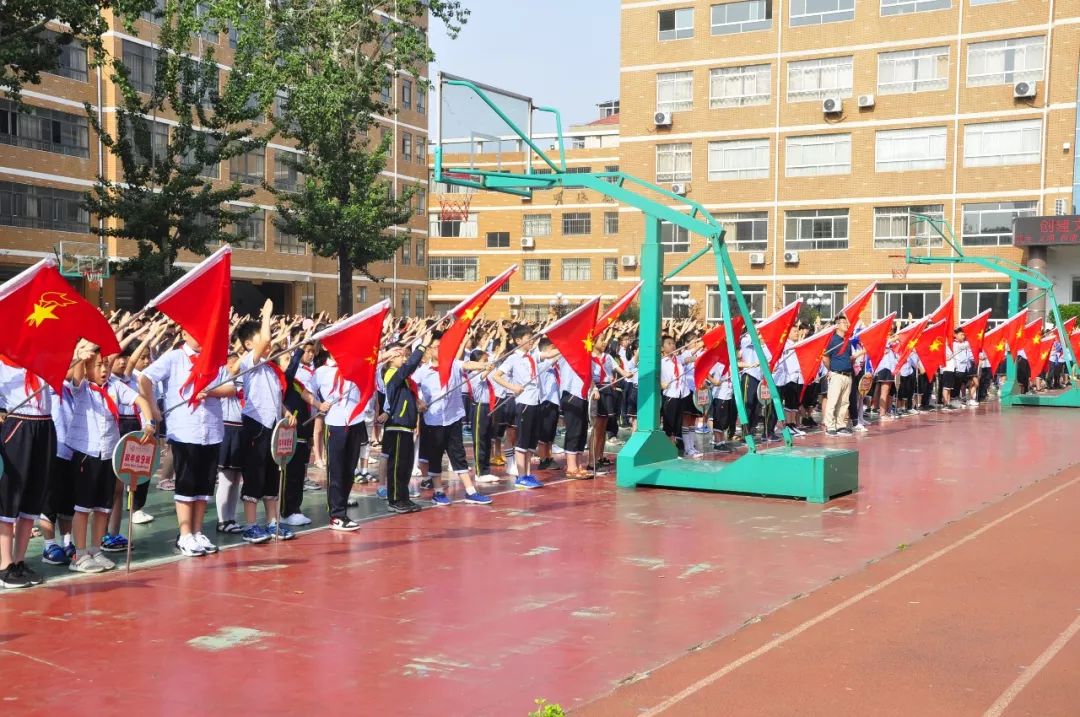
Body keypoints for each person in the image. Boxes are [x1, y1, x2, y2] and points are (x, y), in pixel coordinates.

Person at [140, 328, 234, 558]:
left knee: (204, 485)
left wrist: (210, 392)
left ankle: (198, 531)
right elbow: (145, 378)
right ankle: (184, 535)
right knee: (186, 483)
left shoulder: (215, 359)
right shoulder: (173, 358)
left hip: (211, 430)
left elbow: (231, 387)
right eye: (197, 333)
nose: (202, 338)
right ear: (184, 334)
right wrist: (152, 407)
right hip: (184, 430)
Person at [66, 344, 156, 573]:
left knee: (102, 507)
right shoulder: (82, 387)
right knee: (83, 507)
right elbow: (75, 373)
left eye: (106, 364)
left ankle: (96, 549)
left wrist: (148, 422)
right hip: (87, 452)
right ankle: (79, 554)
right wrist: (79, 356)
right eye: (98, 365)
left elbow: (140, 400)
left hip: (109, 453)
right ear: (87, 369)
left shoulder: (115, 386)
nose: (104, 369)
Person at [413, 332, 494, 506]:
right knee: (434, 457)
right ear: (428, 350)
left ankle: (471, 491)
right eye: (436, 347)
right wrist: (418, 401)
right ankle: (438, 492)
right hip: (433, 419)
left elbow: (468, 364)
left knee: (458, 455)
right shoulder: (422, 372)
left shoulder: (453, 364)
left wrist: (484, 365)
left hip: (453, 418)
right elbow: (409, 387)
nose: (440, 350)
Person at [0, 360, 57, 588]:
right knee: (9, 496)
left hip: (44, 426)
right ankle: (5, 565)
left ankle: (20, 560)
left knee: (34, 496)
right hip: (18, 425)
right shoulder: (3, 363)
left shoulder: (42, 362)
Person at [492, 325, 559, 489]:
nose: (531, 341)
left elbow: (550, 354)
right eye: (528, 338)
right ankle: (521, 476)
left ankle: (528, 474)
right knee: (522, 441)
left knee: (531, 442)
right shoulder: (513, 358)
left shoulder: (533, 356)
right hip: (524, 403)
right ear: (518, 340)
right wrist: (512, 387)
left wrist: (566, 346)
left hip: (536, 401)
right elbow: (496, 375)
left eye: (532, 337)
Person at [382, 337, 429, 513]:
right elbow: (408, 367)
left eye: (405, 355)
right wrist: (422, 348)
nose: (403, 358)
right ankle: (394, 499)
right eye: (400, 355)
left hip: (406, 425)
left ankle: (404, 497)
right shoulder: (391, 374)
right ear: (390, 359)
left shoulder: (407, 381)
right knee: (396, 464)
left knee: (406, 464)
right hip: (396, 424)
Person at [822, 315, 865, 436]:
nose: (846, 324)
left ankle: (840, 425)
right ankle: (830, 426)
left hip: (848, 375)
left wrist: (857, 356)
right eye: (844, 322)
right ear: (837, 325)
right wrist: (831, 369)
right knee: (833, 401)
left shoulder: (846, 341)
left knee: (844, 402)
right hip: (837, 374)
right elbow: (825, 357)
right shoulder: (832, 340)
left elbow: (848, 358)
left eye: (847, 322)